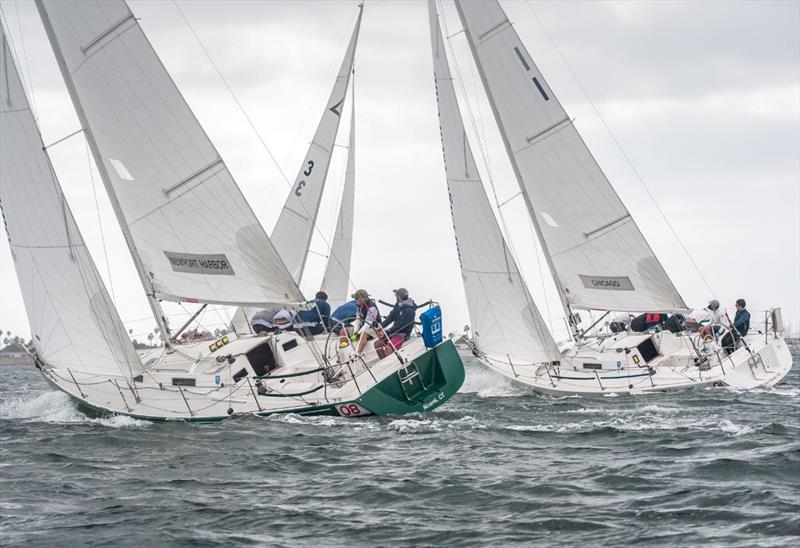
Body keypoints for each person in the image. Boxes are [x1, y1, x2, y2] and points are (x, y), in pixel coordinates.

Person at [374, 288, 416, 359]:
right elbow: (391, 317)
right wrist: (381, 327)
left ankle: (388, 363)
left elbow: (401, 325)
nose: (395, 297)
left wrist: (387, 331)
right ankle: (383, 361)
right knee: (377, 344)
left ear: (399, 297)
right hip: (394, 332)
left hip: (402, 334)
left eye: (396, 295)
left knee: (388, 349)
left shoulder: (410, 310)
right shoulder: (398, 305)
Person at [342, 289, 381, 354]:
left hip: (373, 329)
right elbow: (357, 321)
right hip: (362, 328)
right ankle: (343, 347)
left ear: (362, 299)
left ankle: (357, 353)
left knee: (364, 334)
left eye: (356, 298)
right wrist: (355, 332)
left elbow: (368, 324)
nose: (355, 300)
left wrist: (357, 334)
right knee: (343, 330)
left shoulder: (372, 308)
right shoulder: (359, 306)